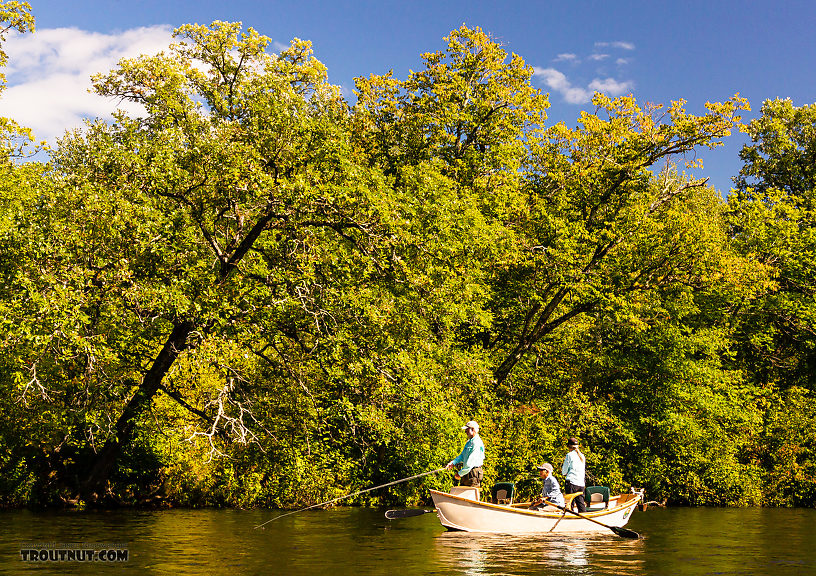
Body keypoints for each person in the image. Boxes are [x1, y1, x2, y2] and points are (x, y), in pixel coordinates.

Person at [446, 420, 485, 487]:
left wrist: (460, 474)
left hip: (474, 473)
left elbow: (470, 463)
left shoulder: (477, 443)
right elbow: (462, 456)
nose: (465, 432)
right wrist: (453, 463)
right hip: (467, 472)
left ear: (472, 430)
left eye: (467, 430)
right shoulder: (469, 442)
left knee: (469, 495)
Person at [561, 436, 586, 512]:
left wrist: (564, 472)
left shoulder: (569, 455)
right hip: (581, 484)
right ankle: (584, 517)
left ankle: (569, 519)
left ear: (569, 446)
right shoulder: (582, 456)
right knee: (581, 504)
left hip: (571, 483)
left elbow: (564, 472)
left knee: (569, 504)